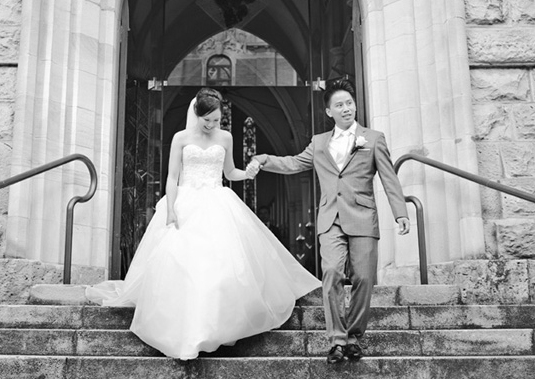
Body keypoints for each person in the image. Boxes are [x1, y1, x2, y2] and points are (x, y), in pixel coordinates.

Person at [86, 87, 320, 360]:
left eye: (216, 120)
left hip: (217, 200)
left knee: (222, 266)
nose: (211, 125)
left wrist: (249, 173)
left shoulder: (226, 137)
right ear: (196, 114)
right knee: (183, 265)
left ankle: (217, 326)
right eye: (206, 120)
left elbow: (230, 172)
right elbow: (172, 177)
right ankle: (185, 328)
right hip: (186, 201)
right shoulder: (181, 138)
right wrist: (171, 208)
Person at [247, 78, 410, 364]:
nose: (346, 109)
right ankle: (337, 340)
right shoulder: (319, 143)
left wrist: (401, 212)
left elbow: (388, 177)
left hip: (362, 216)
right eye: (339, 105)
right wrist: (264, 159)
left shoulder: (373, 139)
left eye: (349, 103)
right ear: (329, 112)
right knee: (332, 272)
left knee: (363, 277)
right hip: (329, 219)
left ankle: (354, 336)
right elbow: (295, 163)